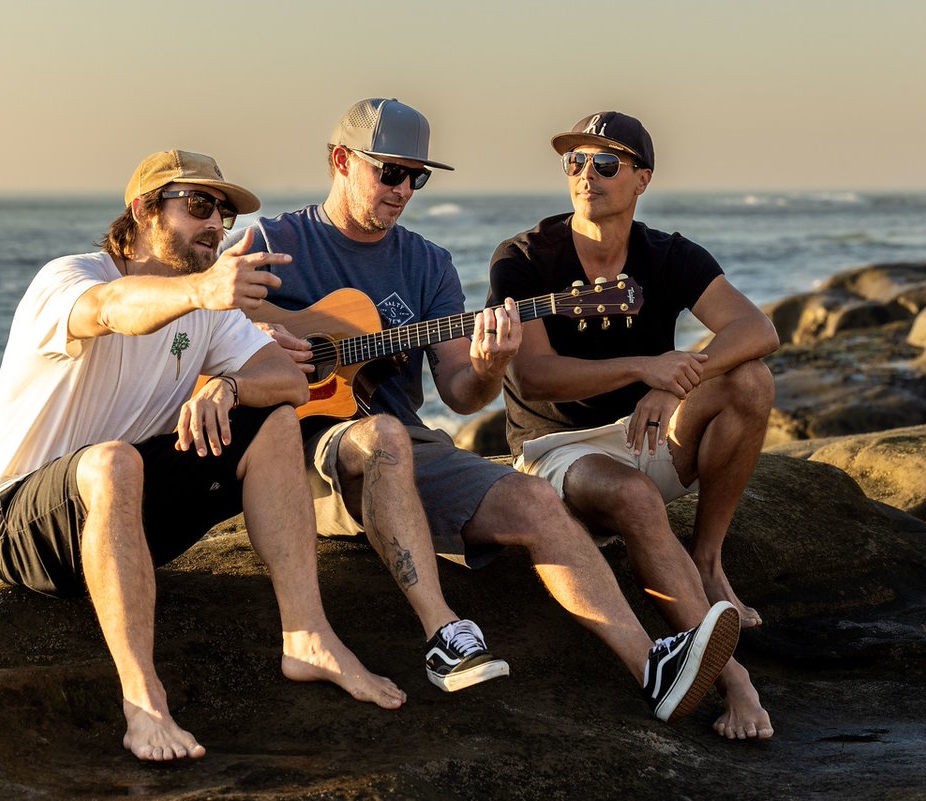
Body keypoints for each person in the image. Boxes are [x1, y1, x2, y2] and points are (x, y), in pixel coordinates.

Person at [229, 97, 744, 725]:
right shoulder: (272, 241)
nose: (403, 191)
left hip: (401, 446)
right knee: (384, 432)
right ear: (341, 161)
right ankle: (444, 635)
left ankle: (653, 669)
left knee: (533, 501)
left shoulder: (428, 264)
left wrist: (491, 364)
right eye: (390, 173)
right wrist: (258, 348)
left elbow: (460, 394)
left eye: (416, 178)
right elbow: (203, 326)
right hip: (296, 449)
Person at [0, 150, 408, 763]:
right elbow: (111, 309)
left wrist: (225, 384)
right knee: (114, 460)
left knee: (274, 421)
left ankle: (307, 636)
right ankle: (143, 700)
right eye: (198, 207)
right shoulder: (70, 278)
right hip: (23, 528)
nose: (215, 226)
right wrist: (203, 290)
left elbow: (284, 378)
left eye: (222, 216)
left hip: (129, 519)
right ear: (144, 210)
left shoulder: (206, 309)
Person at [487, 111, 778, 739]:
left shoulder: (666, 253)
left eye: (606, 163)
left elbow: (757, 329)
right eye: (575, 163)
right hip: (556, 449)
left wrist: (676, 384)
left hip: (648, 434)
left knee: (751, 380)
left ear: (642, 178)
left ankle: (705, 559)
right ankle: (735, 682)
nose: (586, 175)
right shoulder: (524, 256)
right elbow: (534, 375)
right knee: (633, 496)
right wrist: (645, 369)